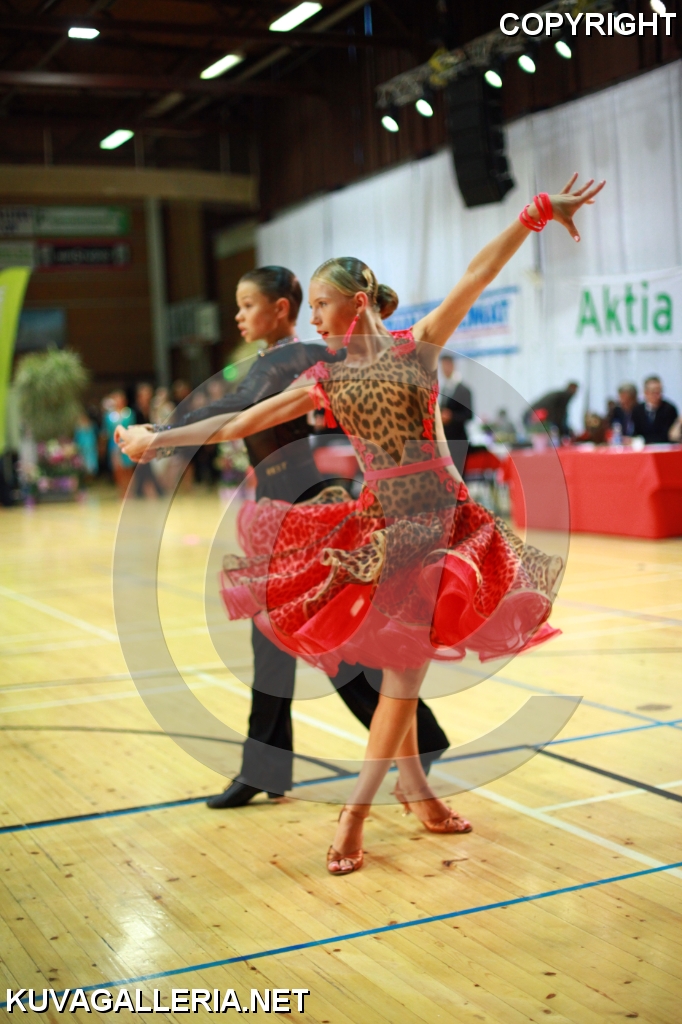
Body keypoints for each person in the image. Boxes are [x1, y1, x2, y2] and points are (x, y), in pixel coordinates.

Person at [119, 175, 603, 874]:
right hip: (386, 536)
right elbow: (237, 423)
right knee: (400, 680)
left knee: (402, 677)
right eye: (311, 306)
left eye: (321, 303)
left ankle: (411, 797)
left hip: (449, 530)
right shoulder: (325, 379)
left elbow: (477, 272)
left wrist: (534, 215)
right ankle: (362, 814)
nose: (313, 317)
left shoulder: (419, 346)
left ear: (358, 298)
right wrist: (160, 439)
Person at [122, 265, 449, 808]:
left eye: (248, 305)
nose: (238, 315)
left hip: (306, 510)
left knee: (331, 644)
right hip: (282, 508)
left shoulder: (291, 357)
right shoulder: (290, 357)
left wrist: (160, 434)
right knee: (285, 642)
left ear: (280, 309)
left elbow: (238, 410)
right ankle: (270, 767)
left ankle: (411, 738)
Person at [438, 353, 473, 456]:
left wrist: (451, 416)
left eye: (446, 365)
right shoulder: (445, 388)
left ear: (452, 365)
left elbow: (468, 414)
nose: (444, 369)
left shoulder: (463, 390)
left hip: (458, 439)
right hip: (446, 439)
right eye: (442, 367)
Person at [631, 376, 678, 444]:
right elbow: (636, 433)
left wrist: (644, 440)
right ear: (646, 392)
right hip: (643, 448)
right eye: (653, 392)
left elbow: (667, 436)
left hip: (664, 447)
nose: (657, 395)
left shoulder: (669, 409)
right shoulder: (637, 410)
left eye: (659, 391)